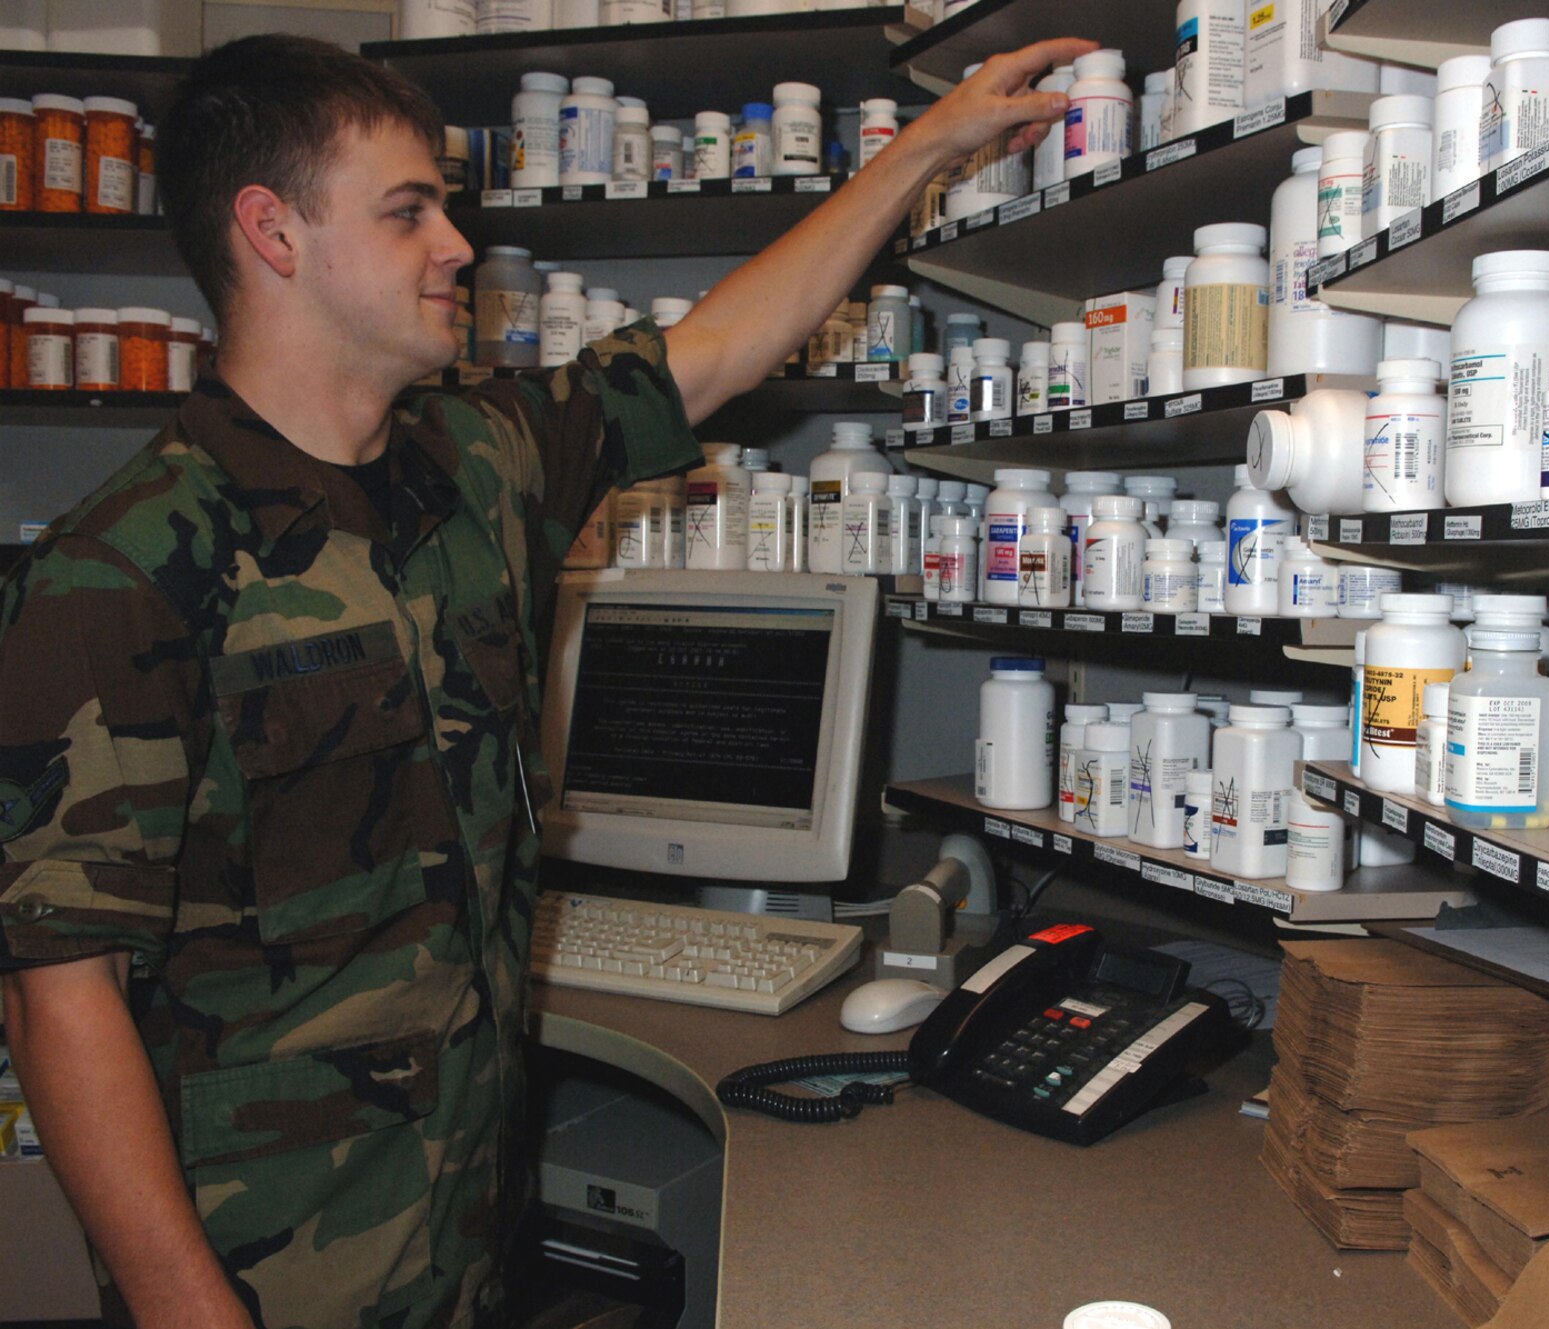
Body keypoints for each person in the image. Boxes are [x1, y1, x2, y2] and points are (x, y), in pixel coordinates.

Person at [0, 31, 1092, 1329]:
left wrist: (923, 152)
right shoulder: (117, 571)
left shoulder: (479, 463)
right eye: (408, 212)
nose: (457, 244)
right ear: (273, 233)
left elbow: (719, 352)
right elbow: (59, 994)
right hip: (272, 1276)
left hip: (468, 1236)